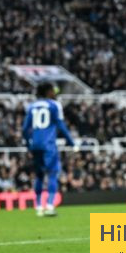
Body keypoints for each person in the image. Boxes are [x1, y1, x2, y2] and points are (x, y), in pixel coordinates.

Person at [22, 83, 78, 217]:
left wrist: (28, 144)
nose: (55, 92)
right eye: (53, 90)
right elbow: (61, 125)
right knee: (53, 173)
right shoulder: (54, 105)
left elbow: (25, 129)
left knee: (39, 175)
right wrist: (72, 143)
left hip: (35, 145)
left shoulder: (32, 106)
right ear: (48, 92)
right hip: (49, 145)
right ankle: (50, 205)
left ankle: (39, 207)